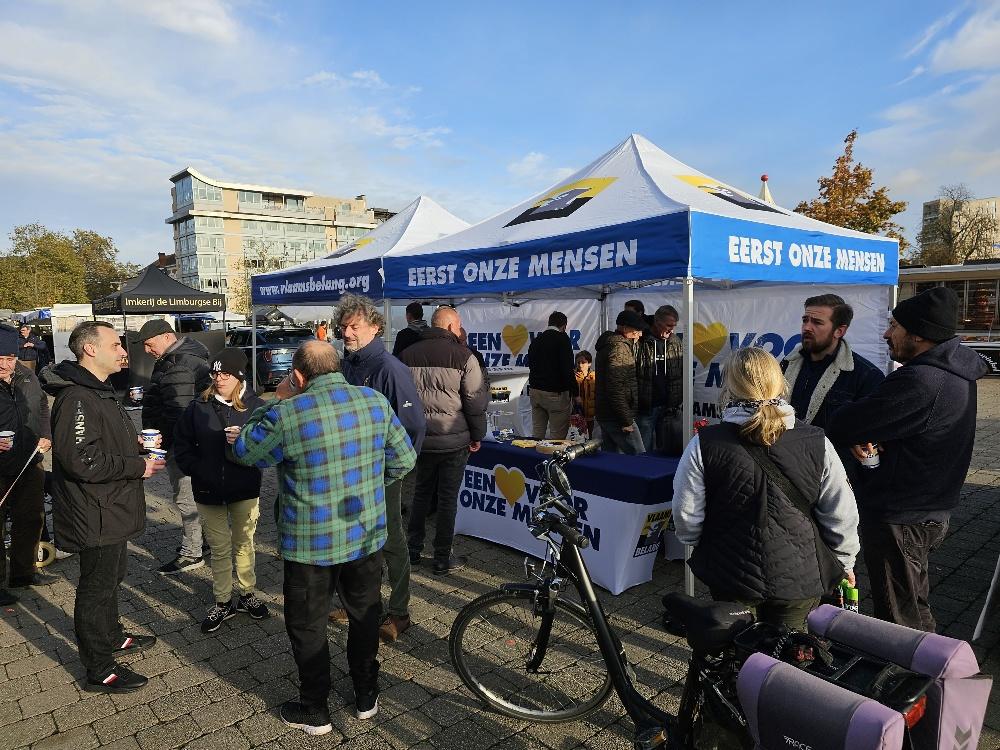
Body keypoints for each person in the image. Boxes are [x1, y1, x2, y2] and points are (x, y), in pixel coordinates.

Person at [232, 341, 416, 734]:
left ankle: (315, 708)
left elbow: (246, 451)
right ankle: (366, 693)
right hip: (364, 536)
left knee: (308, 623)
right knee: (365, 614)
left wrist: (274, 401)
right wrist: (370, 486)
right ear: (336, 367)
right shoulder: (374, 402)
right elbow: (404, 460)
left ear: (298, 376)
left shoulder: (287, 412)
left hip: (309, 545)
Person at [827, 287, 990, 632]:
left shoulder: (922, 381)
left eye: (894, 326)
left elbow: (843, 423)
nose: (887, 334)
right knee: (912, 602)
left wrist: (864, 429)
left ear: (918, 333)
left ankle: (917, 680)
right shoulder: (955, 372)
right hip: (926, 509)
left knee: (902, 621)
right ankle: (926, 675)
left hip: (901, 518)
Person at [672, 347, 860, 630]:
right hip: (800, 573)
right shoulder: (816, 440)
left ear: (730, 387)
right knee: (789, 662)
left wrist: (705, 545)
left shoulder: (705, 443)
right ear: (779, 382)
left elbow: (686, 516)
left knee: (736, 657)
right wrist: (845, 561)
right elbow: (841, 512)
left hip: (731, 571)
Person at [43, 321, 165, 692]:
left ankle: (111, 636)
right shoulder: (78, 397)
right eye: (116, 345)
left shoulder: (99, 391)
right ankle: (98, 667)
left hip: (110, 506)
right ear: (90, 350)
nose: (125, 351)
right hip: (94, 511)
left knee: (112, 577)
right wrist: (136, 465)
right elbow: (80, 460)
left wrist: (137, 449)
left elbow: (101, 445)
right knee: (96, 587)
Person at [330, 294, 426, 643]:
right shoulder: (348, 364)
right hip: (349, 472)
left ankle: (399, 613)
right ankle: (358, 602)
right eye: (343, 327)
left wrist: (392, 470)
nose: (347, 333)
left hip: (381, 473)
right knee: (353, 539)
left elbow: (413, 426)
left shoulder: (389, 368)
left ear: (375, 326)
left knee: (391, 541)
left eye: (354, 326)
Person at [172, 347, 269, 633]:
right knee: (219, 547)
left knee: (244, 543)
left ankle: (247, 594)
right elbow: (182, 445)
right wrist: (198, 469)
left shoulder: (256, 406)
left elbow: (268, 447)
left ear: (240, 375)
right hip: (207, 489)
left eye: (226, 373)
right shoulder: (197, 407)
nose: (220, 378)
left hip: (245, 487)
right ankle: (223, 601)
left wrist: (245, 441)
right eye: (215, 372)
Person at [399, 306, 489, 574]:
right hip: (454, 440)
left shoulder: (406, 355)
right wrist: (477, 435)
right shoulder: (465, 356)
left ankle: (412, 551)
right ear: (451, 327)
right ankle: (441, 557)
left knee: (421, 493)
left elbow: (400, 398)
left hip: (421, 439)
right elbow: (476, 401)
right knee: (448, 499)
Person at [139, 318, 211, 575]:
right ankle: (202, 543)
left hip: (183, 445)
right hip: (191, 442)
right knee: (193, 497)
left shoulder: (179, 364)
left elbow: (177, 413)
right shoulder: (181, 358)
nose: (147, 351)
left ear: (167, 337)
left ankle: (192, 553)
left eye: (149, 344)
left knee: (186, 498)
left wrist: (161, 445)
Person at [781, 294, 884, 431]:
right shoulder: (786, 365)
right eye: (805, 320)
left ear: (839, 331)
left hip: (829, 452)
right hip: (784, 450)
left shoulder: (866, 376)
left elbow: (870, 431)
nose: (807, 327)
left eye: (817, 322)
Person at [0, 325, 50, 605]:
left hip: (29, 461)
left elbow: (43, 406)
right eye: (0, 360)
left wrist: (46, 435)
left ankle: (24, 572)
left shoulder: (27, 376)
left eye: (10, 358)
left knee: (30, 518)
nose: (6, 365)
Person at [594, 310, 644, 454]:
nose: (639, 335)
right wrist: (626, 420)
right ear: (625, 328)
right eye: (636, 331)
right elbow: (615, 387)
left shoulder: (610, 344)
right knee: (639, 458)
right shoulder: (619, 348)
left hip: (607, 412)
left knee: (611, 459)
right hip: (616, 415)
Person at [635, 305, 683, 453]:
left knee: (667, 451)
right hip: (646, 407)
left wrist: (676, 401)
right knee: (644, 451)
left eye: (674, 326)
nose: (671, 330)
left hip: (668, 407)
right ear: (656, 321)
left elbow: (679, 374)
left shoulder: (675, 341)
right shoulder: (641, 340)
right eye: (669, 325)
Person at [527, 311, 578, 440]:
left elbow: (531, 364)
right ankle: (552, 460)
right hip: (555, 393)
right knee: (557, 437)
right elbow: (567, 369)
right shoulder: (562, 339)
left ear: (549, 323)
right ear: (564, 326)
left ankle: (534, 459)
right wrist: (576, 393)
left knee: (537, 433)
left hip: (535, 391)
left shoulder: (537, 340)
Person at [574, 350, 596, 437]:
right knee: (577, 437)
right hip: (577, 414)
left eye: (583, 362)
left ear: (589, 363)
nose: (580, 365)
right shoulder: (573, 376)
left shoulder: (595, 376)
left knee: (590, 436)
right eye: (578, 362)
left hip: (590, 414)